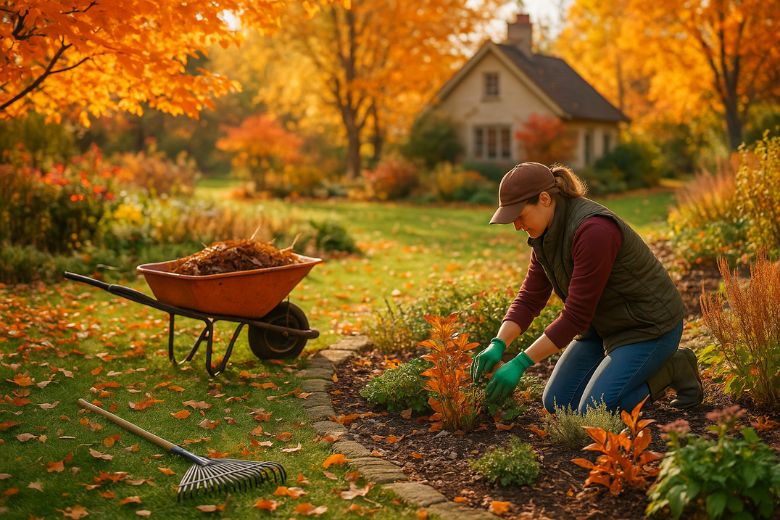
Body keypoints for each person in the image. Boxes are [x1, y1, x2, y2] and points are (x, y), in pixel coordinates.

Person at [470, 162, 703, 414]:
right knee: (558, 403)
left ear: (545, 199)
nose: (517, 225)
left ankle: (672, 368)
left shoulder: (594, 230)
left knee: (594, 411)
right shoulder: (544, 236)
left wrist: (520, 362)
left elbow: (575, 316)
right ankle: (618, 374)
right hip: (601, 327)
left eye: (519, 216)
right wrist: (498, 343)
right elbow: (529, 299)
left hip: (647, 328)